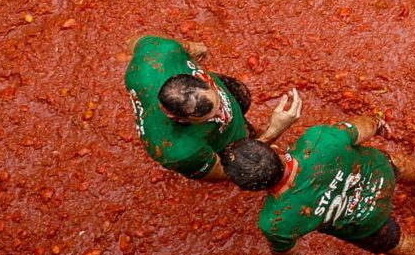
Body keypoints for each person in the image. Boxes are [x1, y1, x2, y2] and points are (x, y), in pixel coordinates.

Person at [219, 113, 415, 255]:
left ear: (249, 188)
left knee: (395, 242)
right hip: (380, 173)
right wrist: (378, 122)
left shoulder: (276, 221)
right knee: (398, 164)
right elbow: (365, 126)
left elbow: (288, 254)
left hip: (364, 222)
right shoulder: (319, 141)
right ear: (277, 151)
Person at [123, 35, 298, 180]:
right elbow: (222, 173)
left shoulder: (161, 54)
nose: (223, 112)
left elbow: (135, 41)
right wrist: (274, 131)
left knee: (241, 95)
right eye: (210, 117)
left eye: (217, 102)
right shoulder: (181, 151)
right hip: (222, 144)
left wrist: (189, 48)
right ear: (179, 119)